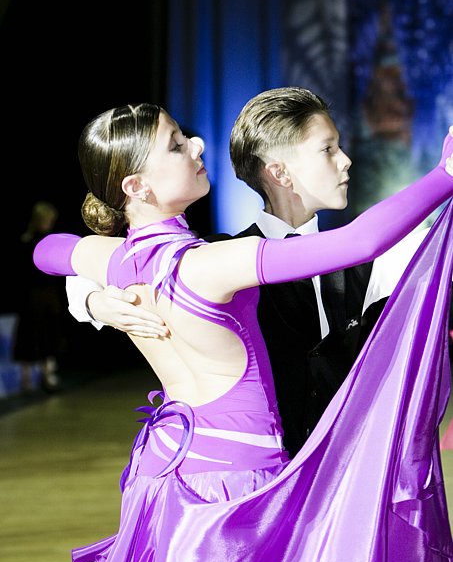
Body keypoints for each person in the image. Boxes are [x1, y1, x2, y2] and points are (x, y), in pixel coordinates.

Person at [33, 100, 453, 562]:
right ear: (137, 185)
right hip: (241, 479)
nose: (196, 145)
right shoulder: (211, 264)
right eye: (177, 145)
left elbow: (49, 250)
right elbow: (359, 241)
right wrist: (445, 174)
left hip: (164, 473)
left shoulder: (114, 260)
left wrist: (96, 299)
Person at [67, 88, 431, 457]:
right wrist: (95, 302)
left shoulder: (369, 262)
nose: (346, 161)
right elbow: (83, 266)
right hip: (261, 466)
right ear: (280, 173)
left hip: (345, 468)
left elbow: (422, 245)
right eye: (328, 149)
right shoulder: (216, 258)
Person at [13, 200, 65, 392]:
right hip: (33, 295)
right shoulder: (28, 241)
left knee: (49, 334)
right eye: (46, 219)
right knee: (32, 335)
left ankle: (47, 376)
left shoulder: (49, 240)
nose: (48, 223)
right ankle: (27, 379)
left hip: (48, 294)